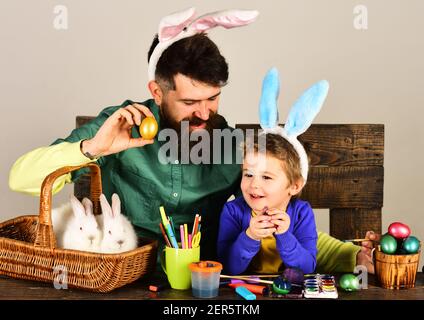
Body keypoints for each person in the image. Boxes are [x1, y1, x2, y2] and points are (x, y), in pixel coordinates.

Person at [8, 8, 374, 273]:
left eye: (212, 98)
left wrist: (349, 255)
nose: (203, 113)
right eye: (188, 102)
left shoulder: (231, 146)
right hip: (123, 280)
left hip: (206, 285)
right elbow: (20, 179)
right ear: (157, 90)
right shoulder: (118, 127)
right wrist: (94, 149)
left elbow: (278, 214)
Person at [218, 133, 318, 274]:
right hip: (244, 291)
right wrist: (250, 236)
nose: (254, 184)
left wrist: (284, 236)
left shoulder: (302, 213)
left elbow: (307, 268)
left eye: (266, 177)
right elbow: (228, 267)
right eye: (248, 174)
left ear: (294, 186)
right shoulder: (233, 211)